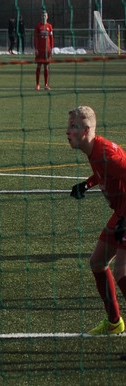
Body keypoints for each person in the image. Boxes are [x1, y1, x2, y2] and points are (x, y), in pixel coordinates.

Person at [67, 106, 126, 336]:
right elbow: (104, 172)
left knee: (121, 272)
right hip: (121, 212)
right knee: (97, 262)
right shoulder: (94, 151)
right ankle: (114, 323)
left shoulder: (106, 153)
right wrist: (87, 183)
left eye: (73, 126)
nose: (67, 131)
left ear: (86, 130)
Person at [34, 10, 54, 90]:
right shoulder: (38, 26)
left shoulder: (49, 26)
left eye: (45, 16)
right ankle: (37, 84)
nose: (44, 17)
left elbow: (51, 38)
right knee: (39, 66)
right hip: (40, 50)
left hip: (47, 50)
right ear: (41, 17)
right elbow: (35, 38)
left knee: (46, 66)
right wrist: (36, 48)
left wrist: (52, 48)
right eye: (42, 16)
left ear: (47, 17)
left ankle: (46, 85)